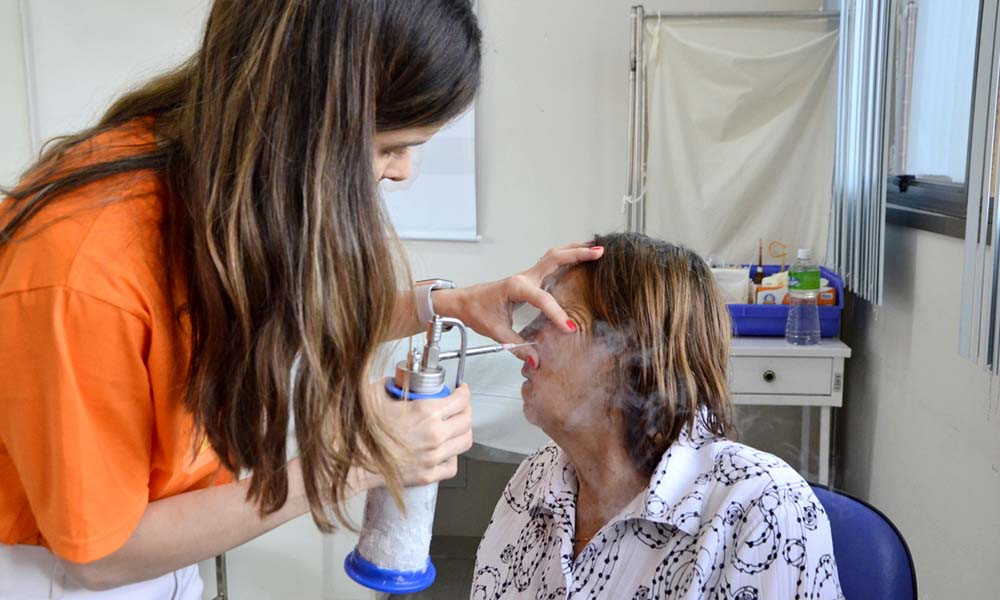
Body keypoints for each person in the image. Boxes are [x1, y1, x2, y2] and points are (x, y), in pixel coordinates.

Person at [0, 1, 601, 597]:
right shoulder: (84, 273)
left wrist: (445, 304)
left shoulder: (213, 180)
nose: (405, 172)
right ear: (306, 121)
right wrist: (352, 465)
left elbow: (276, 309)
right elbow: (100, 556)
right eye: (392, 146)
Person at [473, 233, 843, 599]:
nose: (523, 336)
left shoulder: (763, 511)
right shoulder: (536, 478)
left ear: (633, 351)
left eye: (556, 317)